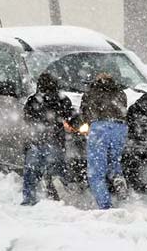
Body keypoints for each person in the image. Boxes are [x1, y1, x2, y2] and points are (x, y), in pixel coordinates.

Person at [21, 72, 73, 206]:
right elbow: (70, 118)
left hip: (35, 141)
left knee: (31, 173)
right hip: (55, 141)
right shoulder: (63, 100)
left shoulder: (33, 100)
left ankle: (29, 199)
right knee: (56, 171)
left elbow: (26, 119)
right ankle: (58, 199)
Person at [80, 73, 128, 209]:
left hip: (99, 128)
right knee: (114, 160)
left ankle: (105, 205)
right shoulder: (120, 93)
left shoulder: (90, 93)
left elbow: (83, 113)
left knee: (96, 171)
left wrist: (85, 124)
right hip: (120, 128)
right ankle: (117, 177)